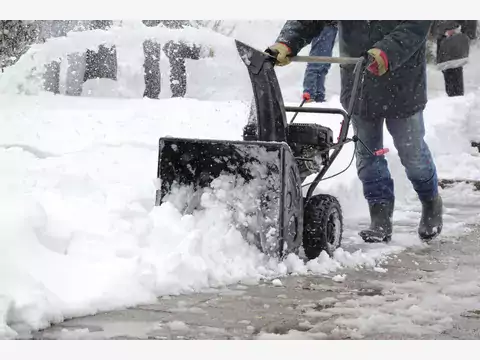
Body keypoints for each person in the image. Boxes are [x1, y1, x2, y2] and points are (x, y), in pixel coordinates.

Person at [268, 21, 443, 243]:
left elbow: (416, 24)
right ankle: (380, 218)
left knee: (413, 154)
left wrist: (385, 51)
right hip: (360, 84)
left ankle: (431, 203)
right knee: (367, 155)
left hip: (402, 84)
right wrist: (287, 42)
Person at [142, 20, 208, 99]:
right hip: (160, 35)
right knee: (151, 45)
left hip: (182, 38)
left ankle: (178, 94)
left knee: (174, 48)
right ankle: (151, 93)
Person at [430, 20, 477, 97]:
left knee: (454, 70)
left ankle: (456, 100)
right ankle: (455, 100)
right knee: (448, 70)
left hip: (453, 36)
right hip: (443, 38)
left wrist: (465, 33)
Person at [302, 23, 338, 103]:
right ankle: (310, 94)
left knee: (324, 63)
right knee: (317, 61)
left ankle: (319, 95)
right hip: (324, 24)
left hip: (331, 25)